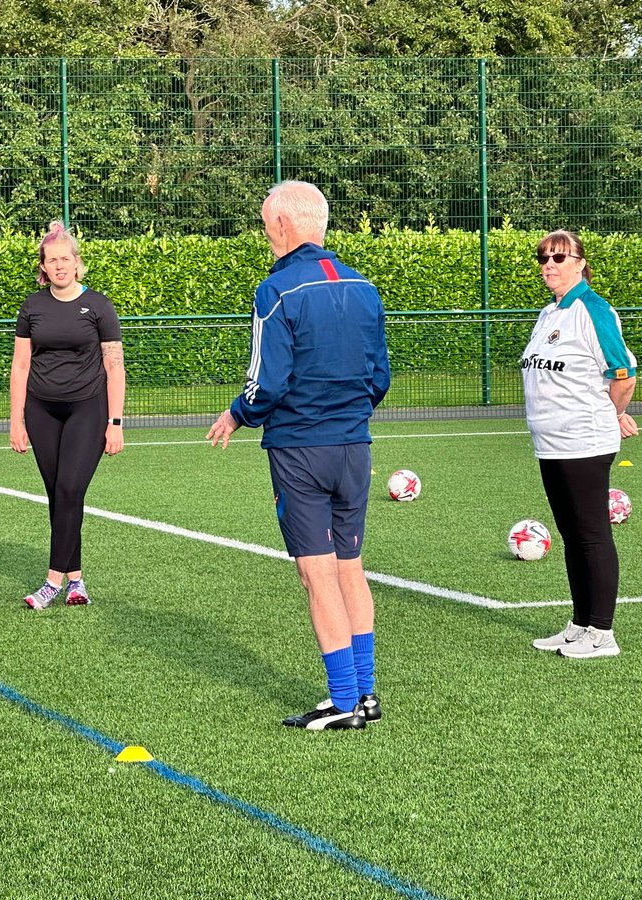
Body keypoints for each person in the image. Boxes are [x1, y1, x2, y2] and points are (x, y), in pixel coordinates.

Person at [207, 181, 390, 732]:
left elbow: (269, 379)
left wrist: (240, 412)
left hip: (300, 449)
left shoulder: (277, 289)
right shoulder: (364, 286)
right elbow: (379, 375)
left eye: (266, 224)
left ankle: (341, 701)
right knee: (350, 568)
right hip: (354, 446)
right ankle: (365, 694)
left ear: (284, 225)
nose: (266, 235)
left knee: (317, 575)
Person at [525, 230, 638, 659]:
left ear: (579, 262)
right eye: (543, 258)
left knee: (591, 535)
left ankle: (603, 633)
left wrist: (610, 414)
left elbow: (622, 373)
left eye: (558, 257)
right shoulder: (548, 313)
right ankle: (580, 624)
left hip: (583, 443)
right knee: (572, 535)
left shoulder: (592, 309)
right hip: (551, 443)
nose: (549, 265)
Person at [10, 220, 125, 609]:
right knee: (58, 495)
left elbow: (115, 366)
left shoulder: (99, 305)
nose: (59, 266)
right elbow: (21, 365)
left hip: (88, 407)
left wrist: (116, 423)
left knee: (70, 489)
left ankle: (51, 582)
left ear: (78, 264)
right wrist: (16, 419)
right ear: (44, 267)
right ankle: (76, 581)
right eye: (51, 260)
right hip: (41, 410)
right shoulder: (32, 306)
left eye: (65, 259)